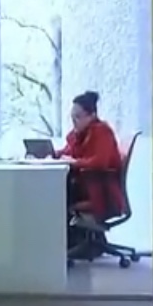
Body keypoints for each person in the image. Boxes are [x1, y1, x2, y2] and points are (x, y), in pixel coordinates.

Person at [55, 91, 125, 229]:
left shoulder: (101, 132)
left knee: (54, 196)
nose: (74, 121)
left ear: (92, 116)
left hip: (100, 192)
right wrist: (51, 155)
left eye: (78, 117)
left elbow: (100, 162)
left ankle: (66, 244)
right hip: (86, 187)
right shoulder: (80, 135)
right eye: (72, 117)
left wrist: (74, 163)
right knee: (54, 193)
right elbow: (67, 152)